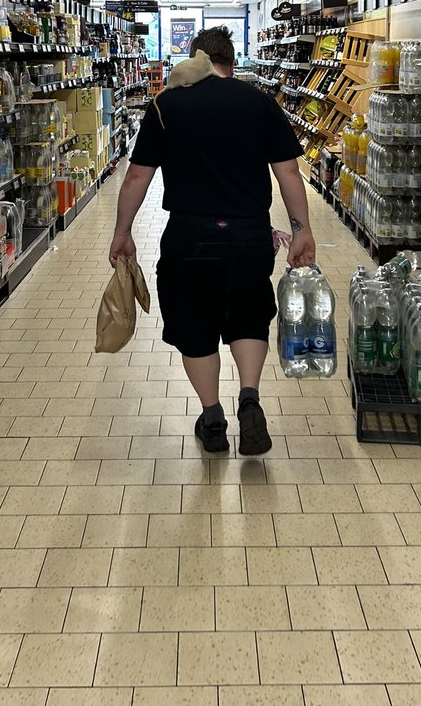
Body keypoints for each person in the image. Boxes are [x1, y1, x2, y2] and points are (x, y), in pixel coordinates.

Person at [108, 25, 316, 455]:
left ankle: (213, 416)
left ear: (195, 58)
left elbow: (136, 178)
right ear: (231, 62)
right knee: (248, 316)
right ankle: (250, 398)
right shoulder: (260, 103)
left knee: (194, 326)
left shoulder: (166, 105)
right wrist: (302, 231)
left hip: (190, 235)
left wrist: (123, 232)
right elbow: (289, 174)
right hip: (249, 234)